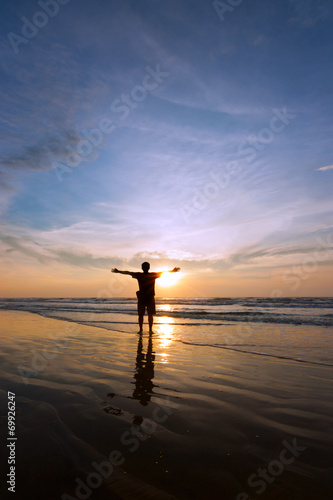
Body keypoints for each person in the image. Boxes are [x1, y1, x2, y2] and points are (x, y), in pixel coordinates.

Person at [111, 262, 180, 333]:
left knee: (143, 314)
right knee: (148, 314)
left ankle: (143, 330)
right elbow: (164, 272)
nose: (145, 268)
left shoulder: (140, 275)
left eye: (145, 266)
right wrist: (172, 271)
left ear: (142, 268)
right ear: (148, 268)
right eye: (145, 266)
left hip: (144, 297)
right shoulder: (151, 275)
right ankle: (148, 330)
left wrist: (118, 271)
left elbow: (128, 273)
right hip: (147, 297)